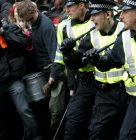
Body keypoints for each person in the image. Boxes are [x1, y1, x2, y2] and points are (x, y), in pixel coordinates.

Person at [83, 0, 136, 139]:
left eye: (125, 12)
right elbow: (110, 62)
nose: (121, 16)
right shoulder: (123, 38)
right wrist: (97, 59)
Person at [61, 0, 128, 139]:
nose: (91, 19)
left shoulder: (125, 30)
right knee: (96, 132)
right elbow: (78, 63)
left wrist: (98, 60)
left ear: (108, 14)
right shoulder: (92, 34)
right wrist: (68, 53)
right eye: (90, 14)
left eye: (95, 15)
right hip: (104, 93)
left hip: (127, 92)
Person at [0, 5, 42, 140]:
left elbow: (22, 43)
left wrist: (3, 33)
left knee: (24, 109)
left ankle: (36, 137)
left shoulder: (10, 28)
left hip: (13, 80)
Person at [17, 0, 67, 139]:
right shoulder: (34, 23)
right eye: (27, 21)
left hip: (51, 70)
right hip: (43, 69)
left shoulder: (45, 26)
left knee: (55, 111)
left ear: (35, 11)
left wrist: (52, 78)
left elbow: (54, 53)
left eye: (31, 19)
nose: (30, 23)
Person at [54, 0, 95, 139]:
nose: (67, 9)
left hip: (102, 79)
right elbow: (61, 58)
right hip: (81, 80)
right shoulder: (63, 26)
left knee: (96, 127)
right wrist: (71, 85)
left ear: (81, 5)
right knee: (73, 123)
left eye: (70, 6)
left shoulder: (96, 21)